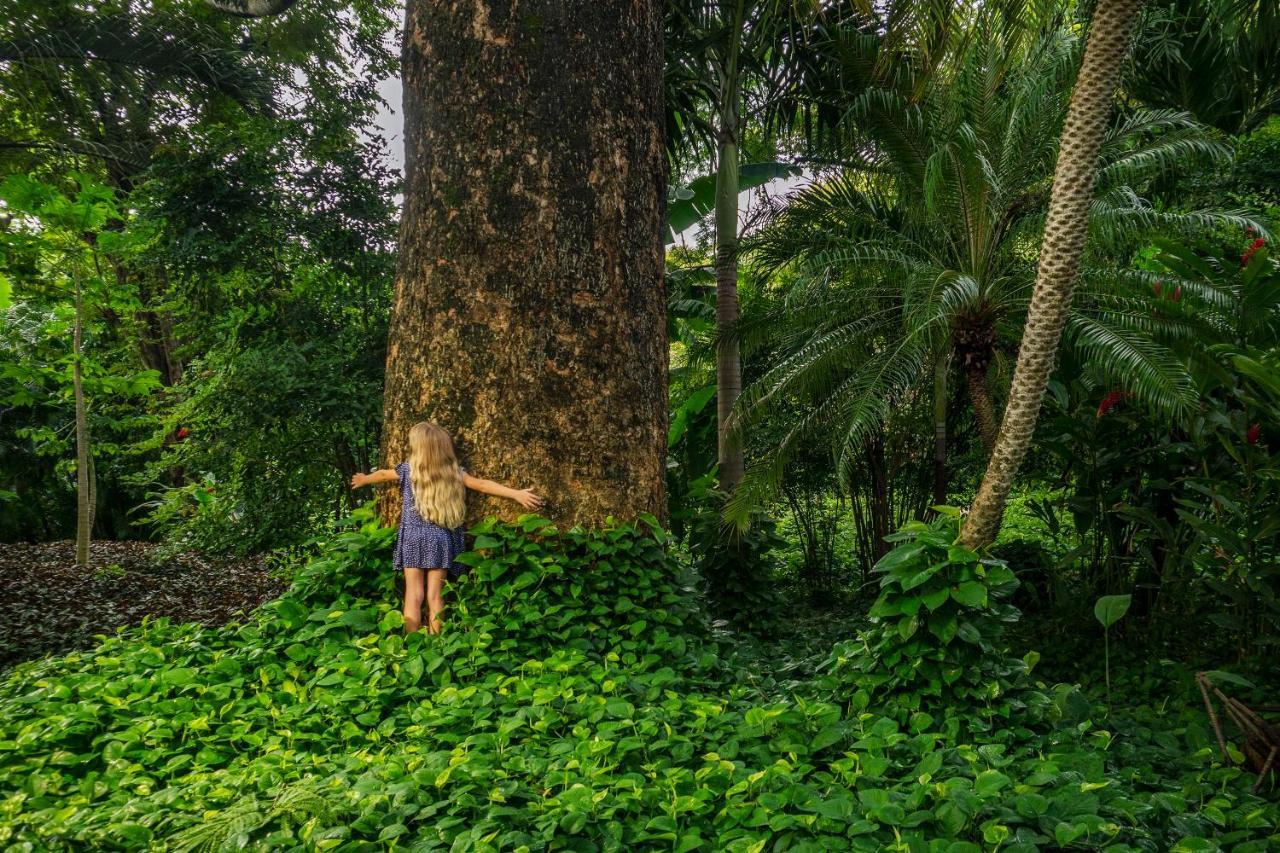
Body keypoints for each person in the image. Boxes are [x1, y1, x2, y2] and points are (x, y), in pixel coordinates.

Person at [351, 422, 542, 634]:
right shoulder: (454, 473)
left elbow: (383, 475)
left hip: (412, 538)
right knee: (435, 595)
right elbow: (483, 485)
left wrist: (363, 479)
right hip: (439, 539)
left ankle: (410, 641)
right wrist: (516, 493)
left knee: (413, 594)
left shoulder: (409, 471)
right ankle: (437, 642)